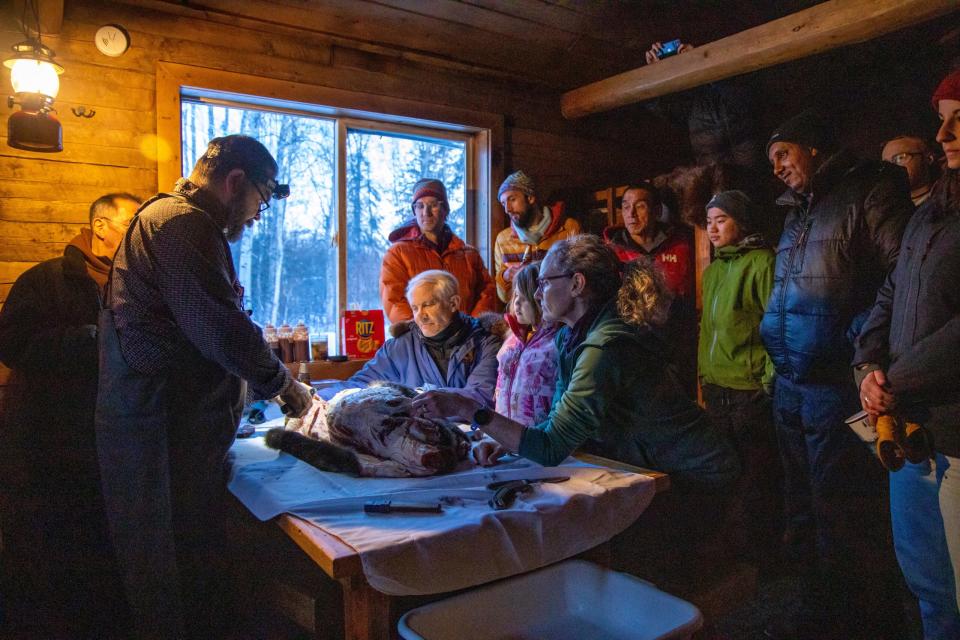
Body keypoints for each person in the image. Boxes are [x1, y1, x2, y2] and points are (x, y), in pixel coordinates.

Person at [95, 135, 313, 640]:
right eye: (259, 199)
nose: (257, 215)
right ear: (235, 182)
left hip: (166, 428)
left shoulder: (172, 221)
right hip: (158, 435)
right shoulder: (181, 224)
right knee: (172, 573)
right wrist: (285, 387)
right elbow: (219, 326)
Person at [412, 235, 738, 492]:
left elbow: (551, 447)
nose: (538, 294)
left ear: (577, 284)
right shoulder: (571, 337)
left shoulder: (604, 346)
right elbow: (556, 425)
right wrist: (510, 441)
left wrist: (468, 409)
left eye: (544, 282)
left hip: (696, 471)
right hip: (657, 464)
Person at [761, 110, 913, 639]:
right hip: (790, 384)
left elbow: (903, 276)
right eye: (771, 160)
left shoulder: (868, 191)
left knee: (842, 514)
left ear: (814, 148)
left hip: (836, 385)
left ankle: (855, 622)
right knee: (801, 504)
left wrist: (863, 347)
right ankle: (813, 612)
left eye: (783, 154)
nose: (776, 167)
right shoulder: (796, 215)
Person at [0, 193, 140, 638]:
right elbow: (11, 345)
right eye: (130, 225)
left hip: (111, 444)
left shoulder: (133, 285)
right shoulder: (45, 280)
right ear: (101, 227)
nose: (139, 236)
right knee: (49, 559)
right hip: (49, 444)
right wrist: (90, 339)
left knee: (104, 558)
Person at [854, 68, 960, 640]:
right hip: (912, 430)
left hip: (957, 435)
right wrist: (868, 364)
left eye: (958, 118)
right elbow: (893, 290)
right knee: (928, 583)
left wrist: (896, 378)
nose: (944, 136)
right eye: (942, 121)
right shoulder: (930, 213)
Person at [697, 190, 780, 560]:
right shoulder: (713, 269)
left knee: (755, 476)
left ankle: (760, 554)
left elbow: (774, 322)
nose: (713, 229)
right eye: (710, 221)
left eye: (722, 220)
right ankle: (732, 550)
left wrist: (768, 377)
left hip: (748, 389)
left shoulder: (762, 263)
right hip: (717, 386)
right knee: (725, 469)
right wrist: (703, 373)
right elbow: (708, 327)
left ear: (740, 222)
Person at [319, 270, 501, 408]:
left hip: (474, 439)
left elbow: (480, 396)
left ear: (453, 303)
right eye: (415, 308)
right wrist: (319, 397)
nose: (420, 316)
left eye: (428, 305)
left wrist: (414, 395)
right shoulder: (401, 346)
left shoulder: (486, 343)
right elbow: (359, 385)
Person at [380, 178, 496, 323]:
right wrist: (422, 333)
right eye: (420, 206)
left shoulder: (468, 254)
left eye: (433, 205)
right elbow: (394, 300)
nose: (426, 212)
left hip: (468, 340)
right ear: (414, 211)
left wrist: (472, 327)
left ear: (445, 209)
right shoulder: (397, 254)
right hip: (422, 341)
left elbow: (487, 292)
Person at [493, 170, 581, 303]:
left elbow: (580, 276)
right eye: (504, 203)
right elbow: (504, 298)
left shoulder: (568, 229)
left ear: (530, 198)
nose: (507, 209)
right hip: (525, 318)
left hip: (561, 315)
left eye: (512, 199)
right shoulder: (503, 239)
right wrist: (505, 277)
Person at [602, 181, 694, 302]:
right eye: (626, 207)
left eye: (640, 206)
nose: (631, 214)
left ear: (657, 211)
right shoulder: (610, 253)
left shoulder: (680, 246)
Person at [495, 262, 560, 427]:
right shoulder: (512, 341)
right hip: (505, 435)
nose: (516, 303)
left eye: (525, 298)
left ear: (541, 298)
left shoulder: (555, 343)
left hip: (539, 438)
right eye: (516, 295)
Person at [881, 134, 938, 206]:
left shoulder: (947, 201)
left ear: (928, 159)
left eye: (900, 158)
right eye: (886, 163)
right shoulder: (885, 207)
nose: (892, 167)